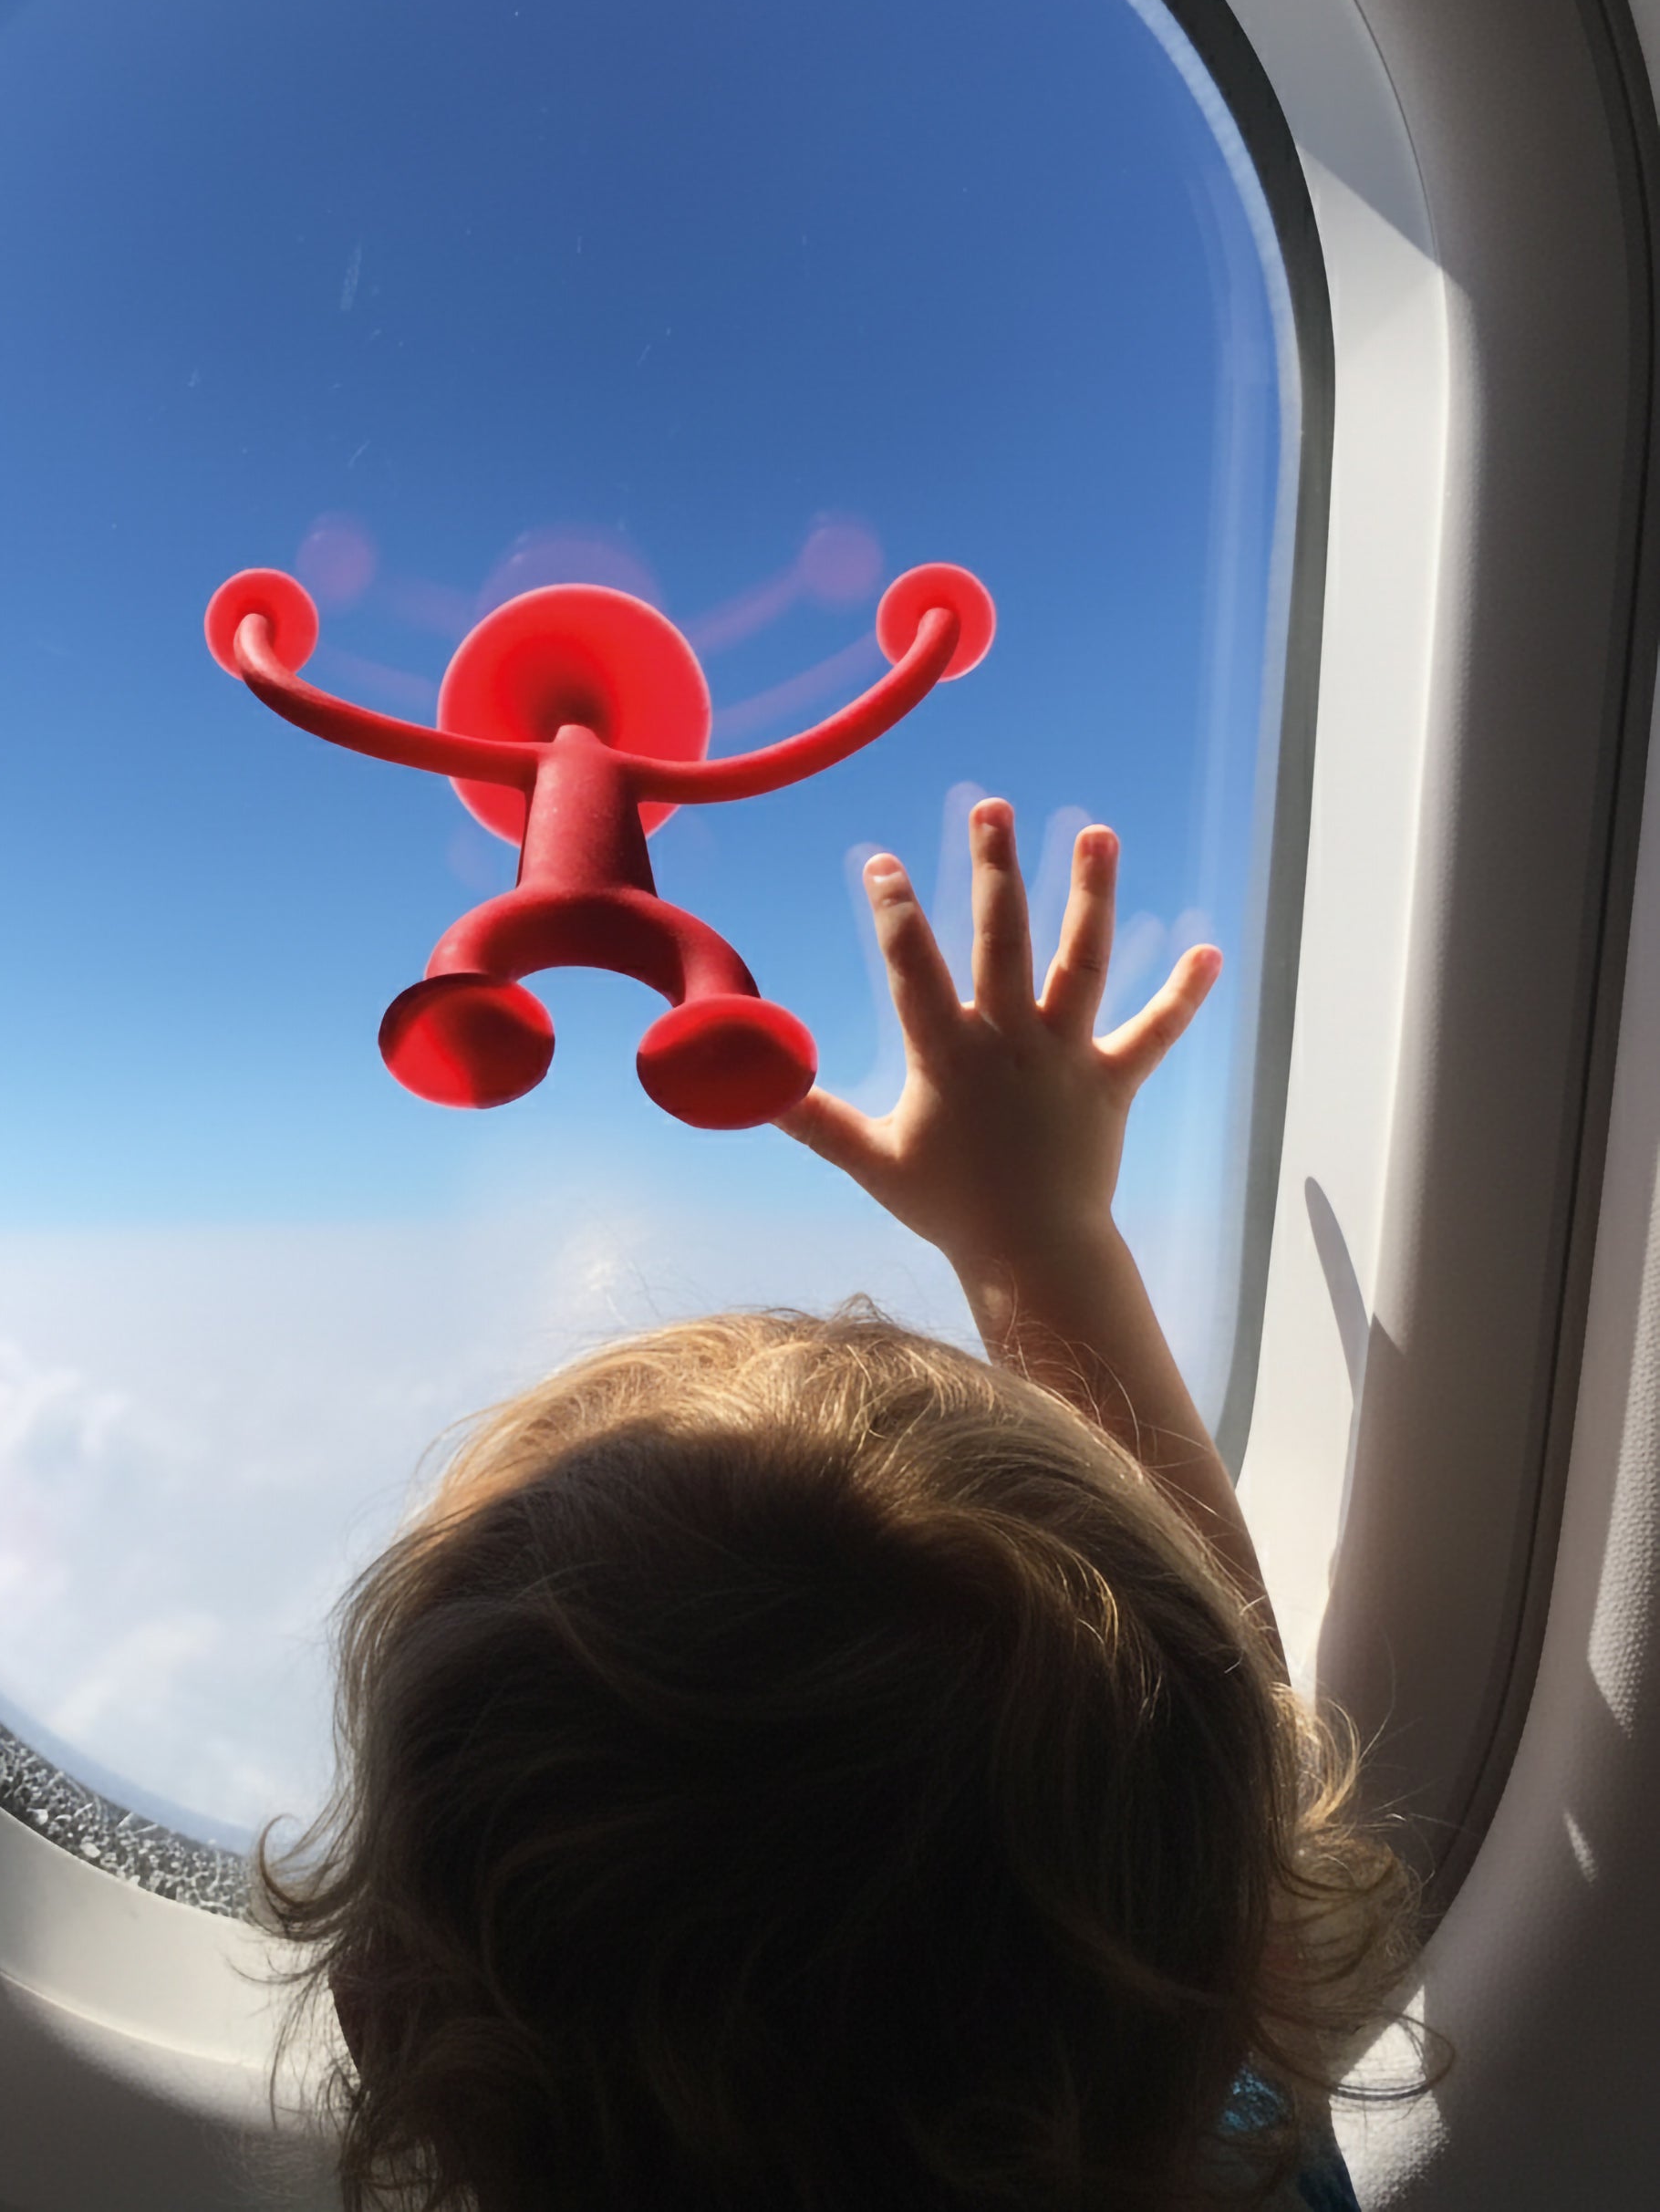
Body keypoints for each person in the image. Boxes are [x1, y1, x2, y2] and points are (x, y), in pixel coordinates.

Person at [263, 801, 1425, 2210]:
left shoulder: (1214, 2094)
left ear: (377, 2020)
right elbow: (1223, 1763)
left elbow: (1223, 1759)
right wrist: (1039, 1235)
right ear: (1230, 1966)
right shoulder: (1208, 2150)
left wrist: (1028, 1236)